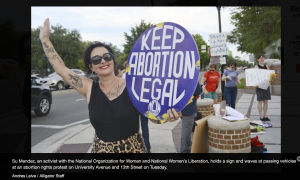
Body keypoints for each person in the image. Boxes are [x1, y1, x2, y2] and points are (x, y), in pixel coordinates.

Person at [39, 18, 181, 153]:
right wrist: (45, 39)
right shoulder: (89, 88)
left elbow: (151, 116)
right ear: (91, 67)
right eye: (96, 59)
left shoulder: (133, 86)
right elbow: (61, 69)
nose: (103, 61)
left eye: (107, 56)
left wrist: (166, 116)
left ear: (112, 59)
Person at [180, 82, 202, 153]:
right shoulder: (192, 77)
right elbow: (198, 91)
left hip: (181, 106)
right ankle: (184, 150)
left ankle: (188, 143)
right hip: (189, 108)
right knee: (186, 129)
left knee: (187, 128)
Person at [254, 54, 271, 121]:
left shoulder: (266, 66)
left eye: (263, 57)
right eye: (260, 58)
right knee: (260, 101)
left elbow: (269, 74)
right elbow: (255, 76)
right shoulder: (256, 66)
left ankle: (265, 116)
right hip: (259, 86)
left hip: (266, 85)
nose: (262, 59)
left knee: (266, 101)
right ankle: (261, 116)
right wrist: (256, 83)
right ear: (258, 59)